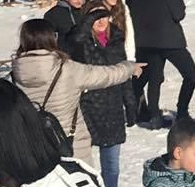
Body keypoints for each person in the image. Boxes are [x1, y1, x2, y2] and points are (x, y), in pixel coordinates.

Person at [9, 19, 142, 161]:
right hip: (72, 147)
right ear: (52, 38)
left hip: (36, 151)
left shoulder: (12, 78)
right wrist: (129, 67)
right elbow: (106, 75)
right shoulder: (67, 69)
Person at [70, 5, 134, 187]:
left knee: (111, 166)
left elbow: (124, 70)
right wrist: (88, 22)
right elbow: (75, 41)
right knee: (84, 164)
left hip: (112, 107)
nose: (100, 20)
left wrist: (130, 102)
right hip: (86, 106)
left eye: (103, 16)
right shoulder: (81, 41)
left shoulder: (116, 39)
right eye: (94, 16)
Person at [129, 0, 195, 129]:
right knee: (191, 75)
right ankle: (182, 112)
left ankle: (154, 115)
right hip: (170, 40)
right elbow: (179, 14)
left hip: (147, 41)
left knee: (154, 78)